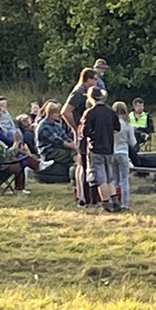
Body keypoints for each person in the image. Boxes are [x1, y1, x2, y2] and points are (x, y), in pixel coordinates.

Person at [0, 122, 52, 194]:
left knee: (21, 154)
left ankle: (38, 164)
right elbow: (7, 155)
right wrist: (16, 143)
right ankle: (20, 187)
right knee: (23, 162)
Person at [62, 68, 99, 205]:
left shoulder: (81, 91)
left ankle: (81, 195)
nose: (96, 82)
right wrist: (75, 127)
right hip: (81, 132)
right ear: (88, 79)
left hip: (82, 131)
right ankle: (84, 196)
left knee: (81, 164)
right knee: (83, 164)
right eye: (94, 79)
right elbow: (65, 111)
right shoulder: (78, 92)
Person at [81, 87, 121, 212]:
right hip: (109, 148)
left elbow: (85, 132)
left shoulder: (90, 113)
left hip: (96, 149)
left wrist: (93, 137)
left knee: (100, 178)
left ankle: (106, 205)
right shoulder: (110, 112)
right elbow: (117, 128)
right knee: (110, 178)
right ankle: (116, 202)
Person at [112, 101, 136, 210]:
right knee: (124, 179)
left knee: (114, 179)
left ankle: (115, 201)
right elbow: (133, 142)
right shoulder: (127, 125)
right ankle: (124, 204)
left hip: (112, 152)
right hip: (123, 152)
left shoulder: (111, 124)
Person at [36, 101, 77, 165]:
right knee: (70, 155)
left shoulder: (56, 124)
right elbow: (58, 141)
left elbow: (64, 137)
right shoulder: (43, 126)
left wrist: (74, 143)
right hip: (49, 152)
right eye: (56, 113)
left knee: (74, 152)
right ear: (50, 113)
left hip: (59, 148)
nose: (59, 114)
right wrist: (74, 147)